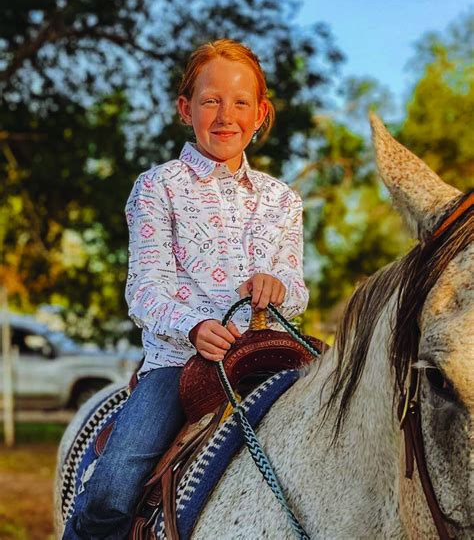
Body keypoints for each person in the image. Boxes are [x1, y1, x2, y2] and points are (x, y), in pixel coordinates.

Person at [63, 38, 309, 539]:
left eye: (241, 102)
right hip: (179, 366)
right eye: (211, 100)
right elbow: (145, 290)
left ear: (260, 114)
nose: (226, 115)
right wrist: (195, 327)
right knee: (113, 485)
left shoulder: (283, 201)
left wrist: (279, 286)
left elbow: (298, 290)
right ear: (186, 108)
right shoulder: (158, 187)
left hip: (268, 354)